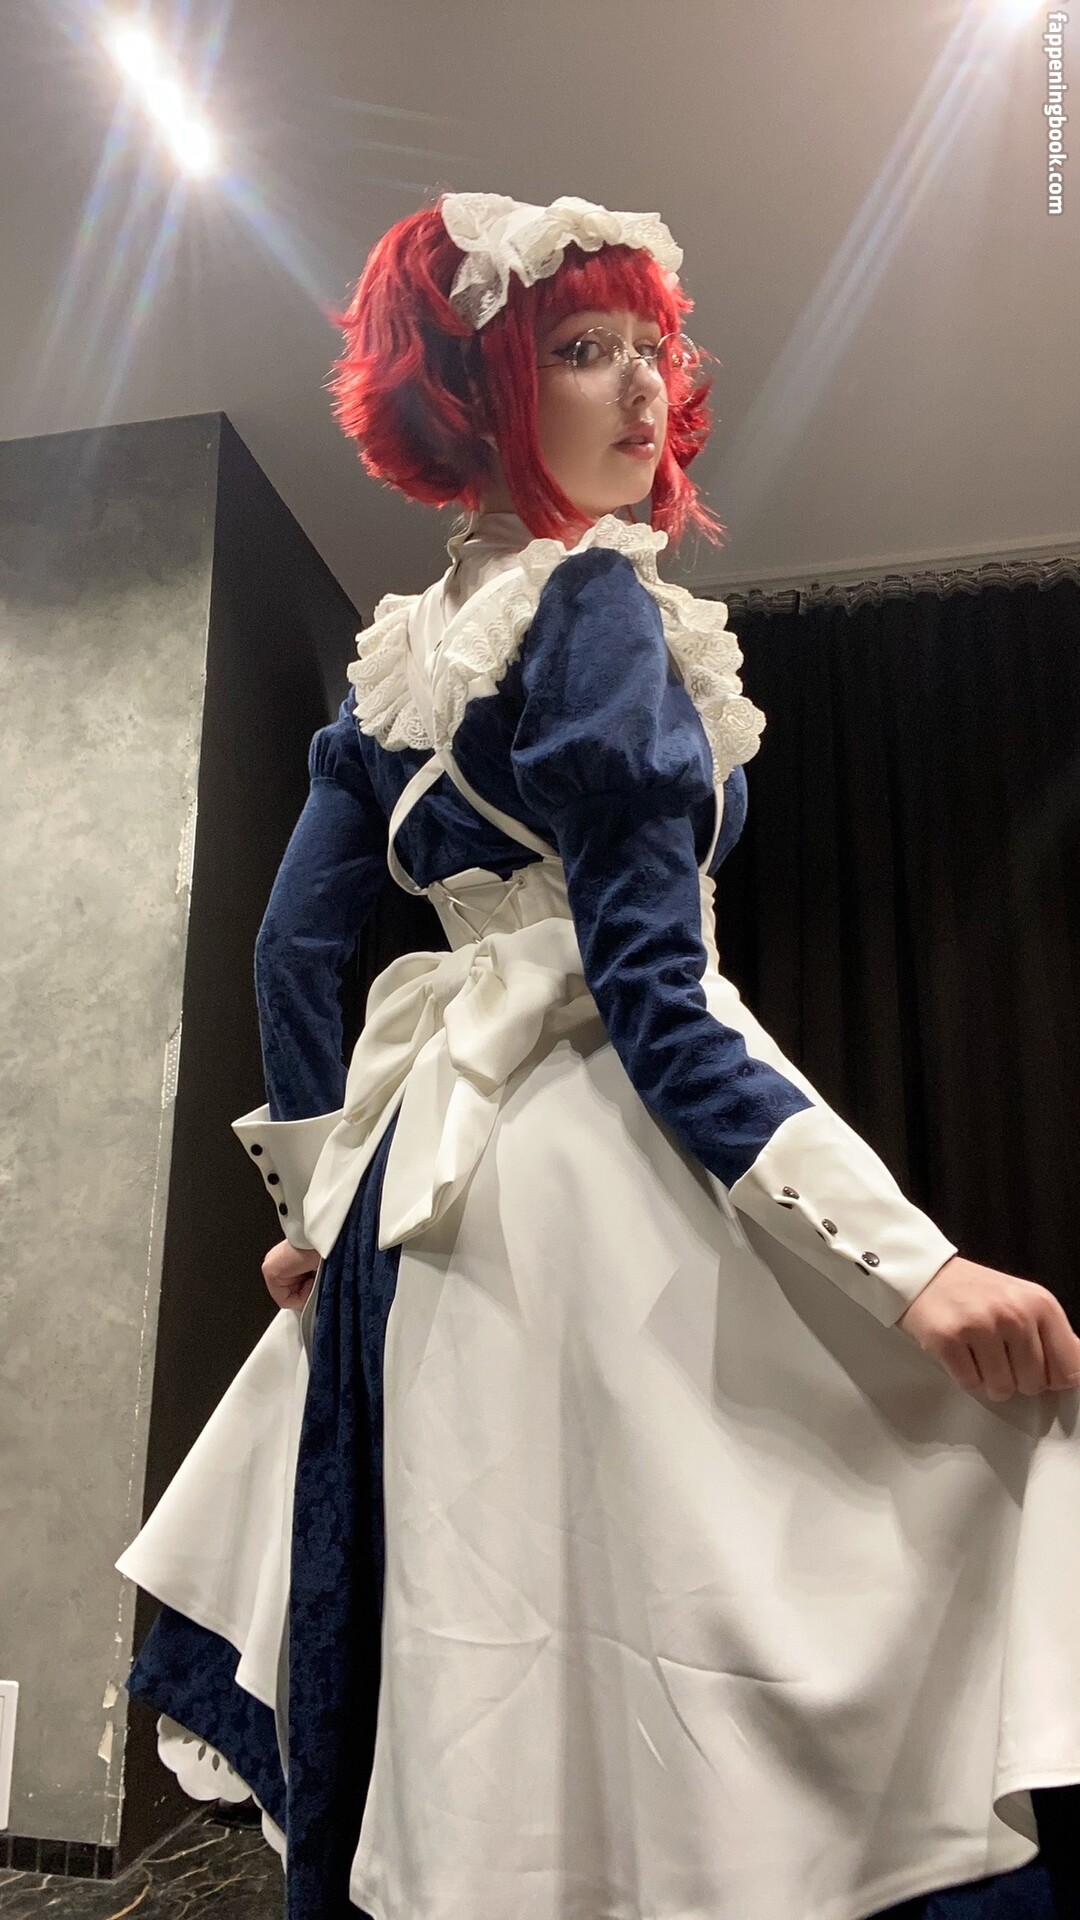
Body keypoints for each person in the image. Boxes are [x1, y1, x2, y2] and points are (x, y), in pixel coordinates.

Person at [117, 192, 1080, 1920]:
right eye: (582, 349)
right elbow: (654, 990)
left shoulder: (398, 665)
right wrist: (910, 1264)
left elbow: (294, 956)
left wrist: (323, 1213)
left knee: (477, 1627)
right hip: (584, 1169)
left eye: (654, 349)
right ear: (479, 387)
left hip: (423, 1199)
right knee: (710, 1580)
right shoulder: (593, 610)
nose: (643, 387)